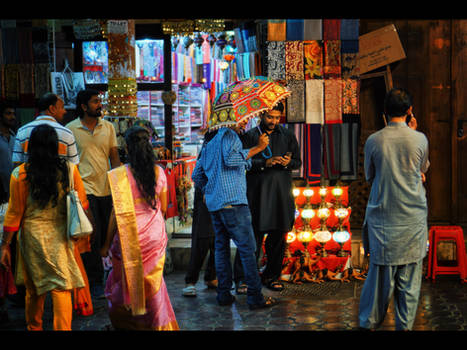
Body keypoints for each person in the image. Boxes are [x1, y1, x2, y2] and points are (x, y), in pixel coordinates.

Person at [0, 124, 91, 331]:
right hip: (62, 235)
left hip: (32, 237)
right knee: (62, 288)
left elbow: (14, 214)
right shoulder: (69, 170)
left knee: (34, 290)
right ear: (56, 146)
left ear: (30, 147)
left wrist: (5, 245)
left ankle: (35, 327)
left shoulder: (20, 174)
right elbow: (82, 203)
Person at [358, 88, 430, 331]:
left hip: (383, 218)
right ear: (409, 111)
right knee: (410, 281)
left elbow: (369, 175)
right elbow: (423, 170)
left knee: (379, 280)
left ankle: (368, 323)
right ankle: (405, 326)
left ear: (384, 113)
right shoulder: (419, 138)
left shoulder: (374, 140)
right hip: (412, 218)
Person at [191, 116, 278, 310]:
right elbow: (231, 160)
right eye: (241, 120)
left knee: (221, 250)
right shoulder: (230, 136)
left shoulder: (210, 142)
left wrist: (208, 191)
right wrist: (258, 148)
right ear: (231, 120)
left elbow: (196, 174)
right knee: (248, 249)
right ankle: (255, 297)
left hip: (216, 205)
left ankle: (224, 295)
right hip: (234, 203)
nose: (244, 123)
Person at [100, 126, 179, 330]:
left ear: (126, 147)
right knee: (153, 284)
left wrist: (106, 244)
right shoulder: (158, 172)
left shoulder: (119, 175)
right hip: (153, 235)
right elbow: (162, 207)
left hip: (128, 237)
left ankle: (132, 324)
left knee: (124, 283)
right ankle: (156, 324)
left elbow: (115, 214)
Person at [239, 103, 301, 292]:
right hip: (257, 194)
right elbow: (242, 162)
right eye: (270, 117)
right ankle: (245, 279)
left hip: (281, 194)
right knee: (253, 239)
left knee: (278, 237)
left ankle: (272, 276)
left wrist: (288, 162)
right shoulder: (250, 136)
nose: (273, 121)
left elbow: (298, 162)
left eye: (277, 117)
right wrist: (265, 162)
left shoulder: (287, 135)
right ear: (261, 115)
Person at [66, 89, 121, 299]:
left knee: (109, 234)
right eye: (95, 101)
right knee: (92, 234)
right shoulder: (70, 130)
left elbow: (114, 157)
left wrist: (120, 185)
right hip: (85, 191)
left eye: (99, 101)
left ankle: (108, 277)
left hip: (106, 189)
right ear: (83, 106)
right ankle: (95, 280)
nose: (100, 105)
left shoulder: (108, 127)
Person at [12, 93, 79, 167]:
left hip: (29, 178)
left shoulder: (22, 131)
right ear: (52, 109)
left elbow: (16, 164)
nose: (65, 111)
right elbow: (74, 166)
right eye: (62, 107)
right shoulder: (67, 133)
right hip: (59, 178)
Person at [0, 101, 17, 323]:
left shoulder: (15, 136)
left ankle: (10, 294)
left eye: (13, 113)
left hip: (13, 199)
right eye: (8, 113)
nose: (12, 116)